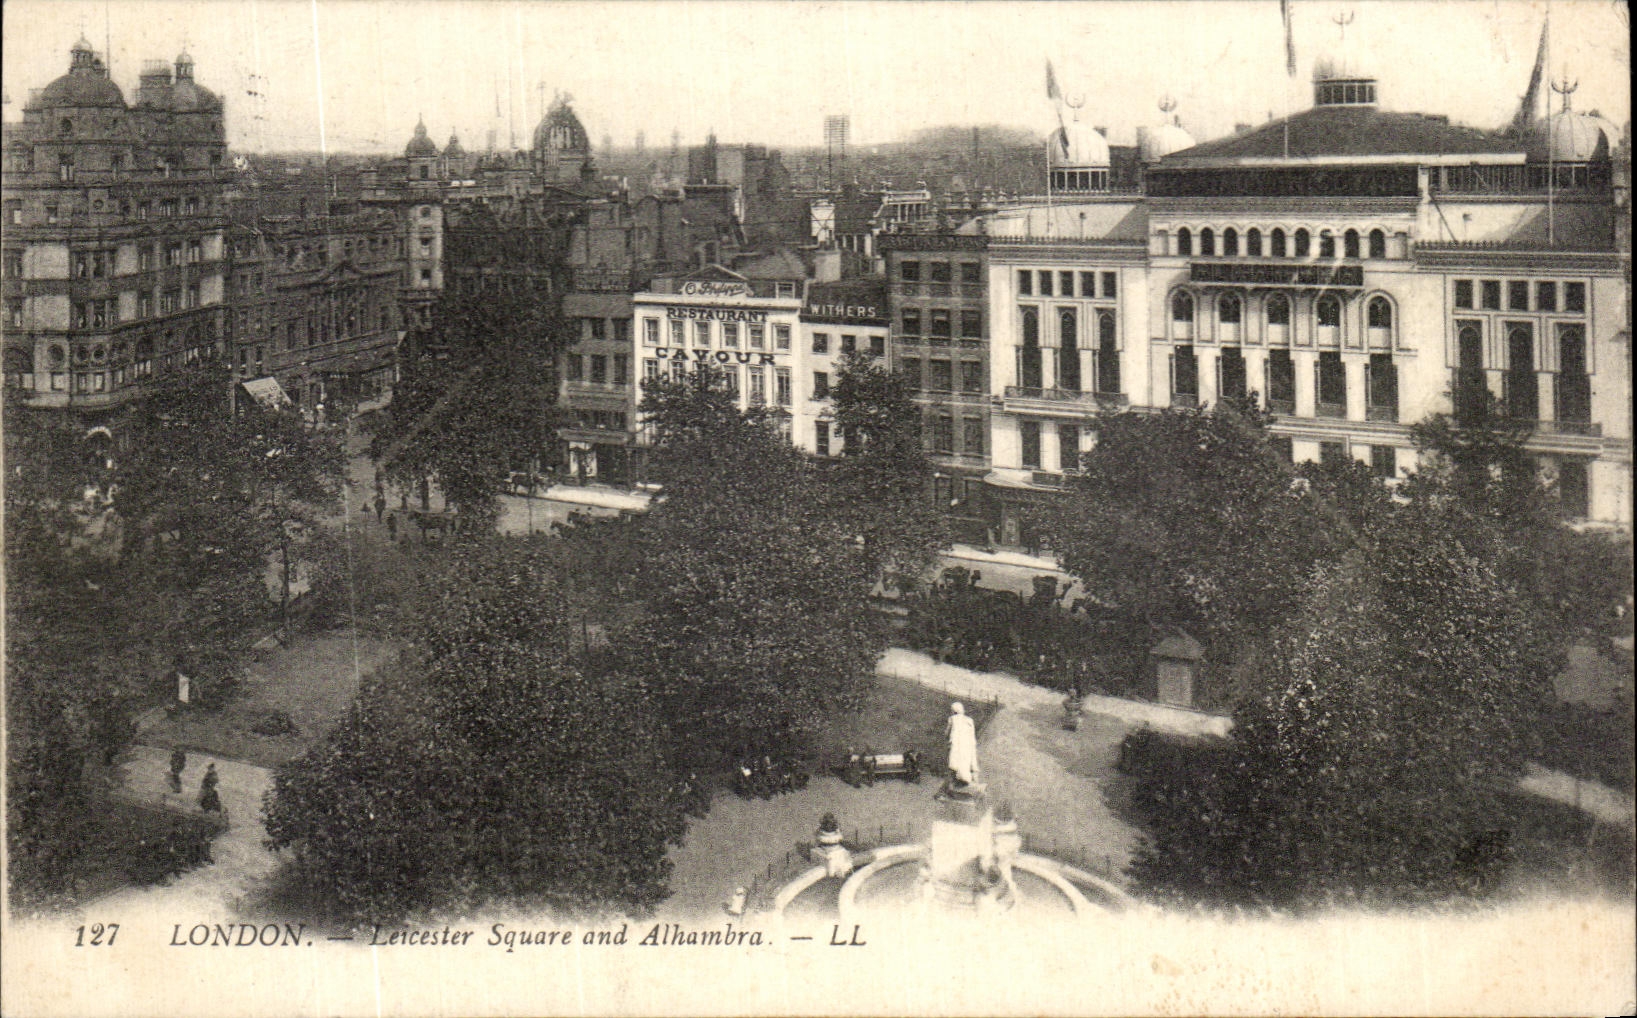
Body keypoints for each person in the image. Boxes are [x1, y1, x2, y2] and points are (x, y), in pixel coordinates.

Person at [946, 702, 979, 787]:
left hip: (957, 742)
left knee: (955, 761)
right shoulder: (970, 720)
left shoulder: (952, 718)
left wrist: (947, 736)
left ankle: (955, 783)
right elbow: (972, 734)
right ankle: (970, 778)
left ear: (954, 711)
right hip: (968, 742)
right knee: (967, 760)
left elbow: (947, 732)